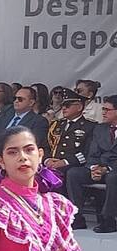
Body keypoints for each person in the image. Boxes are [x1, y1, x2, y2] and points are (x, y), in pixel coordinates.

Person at [65, 96, 117, 233]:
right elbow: (92, 153)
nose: (103, 113)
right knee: (74, 173)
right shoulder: (100, 129)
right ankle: (77, 217)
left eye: (107, 110)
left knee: (113, 177)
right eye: (103, 109)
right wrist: (94, 168)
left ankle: (109, 219)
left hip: (113, 170)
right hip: (99, 168)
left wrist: (107, 168)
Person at [43, 91, 94, 224]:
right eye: (63, 105)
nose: (64, 108)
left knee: (66, 173)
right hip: (51, 163)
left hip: (74, 164)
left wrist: (64, 161)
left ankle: (73, 217)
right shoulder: (56, 125)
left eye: (68, 105)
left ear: (79, 107)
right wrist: (47, 159)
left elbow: (87, 152)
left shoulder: (90, 127)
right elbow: (45, 145)